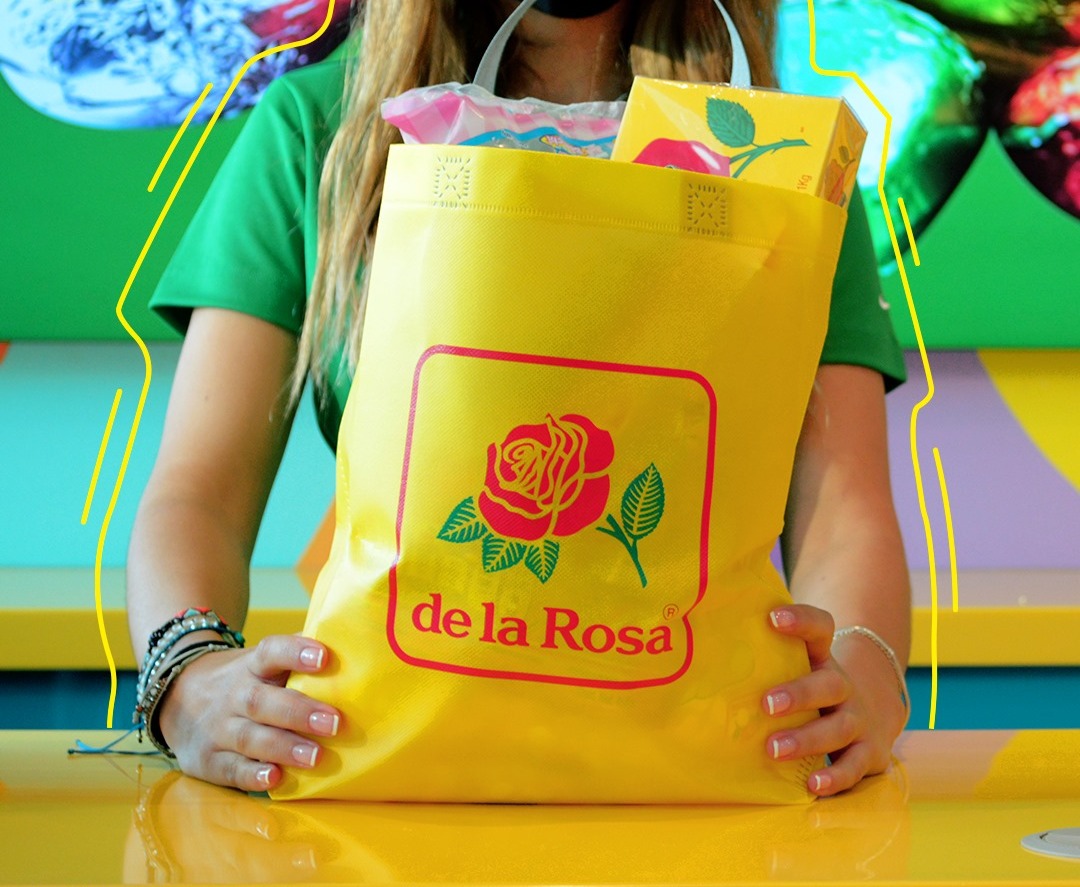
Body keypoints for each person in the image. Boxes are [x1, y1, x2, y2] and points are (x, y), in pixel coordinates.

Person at [127, 0, 911, 797]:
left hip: (704, 776)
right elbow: (201, 491)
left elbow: (844, 505)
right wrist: (189, 678)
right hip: (388, 769)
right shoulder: (317, 130)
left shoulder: (785, 167)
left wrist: (869, 672)